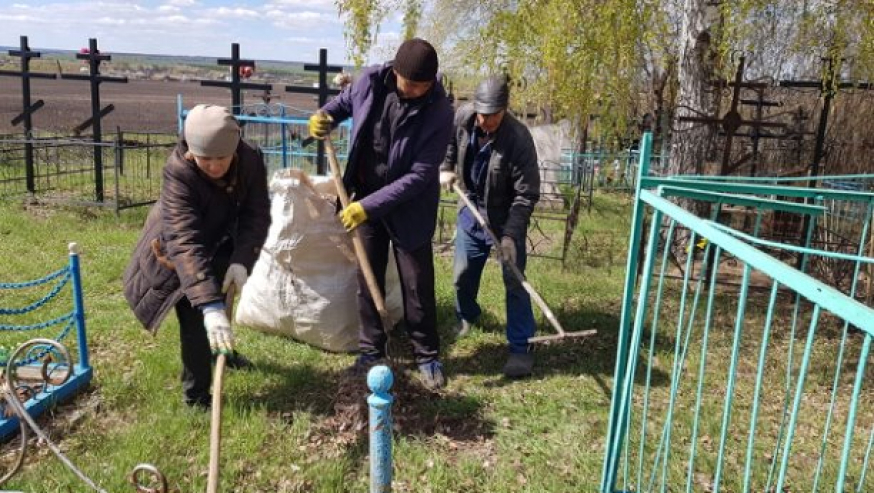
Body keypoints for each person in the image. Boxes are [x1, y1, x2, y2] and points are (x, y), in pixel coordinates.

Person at [308, 38, 454, 390]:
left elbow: (420, 175)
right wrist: (323, 115)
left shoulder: (439, 110)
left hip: (409, 206)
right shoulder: (370, 82)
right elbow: (343, 104)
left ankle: (427, 355)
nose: (419, 90)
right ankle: (371, 350)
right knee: (367, 276)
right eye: (412, 83)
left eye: (425, 85)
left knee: (417, 283)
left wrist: (366, 207)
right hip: (367, 193)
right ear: (396, 72)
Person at [123, 104, 271, 408]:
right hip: (177, 251)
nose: (215, 166)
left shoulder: (250, 159)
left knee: (224, 300)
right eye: (205, 159)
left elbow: (256, 213)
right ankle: (197, 395)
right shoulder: (179, 171)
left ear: (235, 150)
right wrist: (208, 304)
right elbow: (184, 239)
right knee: (196, 320)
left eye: (222, 158)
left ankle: (222, 353)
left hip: (222, 235)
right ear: (191, 152)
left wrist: (243, 258)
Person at [440, 76, 541, 378]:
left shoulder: (519, 139)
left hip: (505, 214)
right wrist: (445, 167)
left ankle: (521, 347)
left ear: (504, 110)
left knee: (515, 279)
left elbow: (526, 194)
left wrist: (511, 235)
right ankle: (467, 315)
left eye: (492, 115)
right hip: (471, 208)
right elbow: (447, 141)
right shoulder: (463, 118)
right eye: (482, 114)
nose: (485, 121)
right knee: (463, 272)